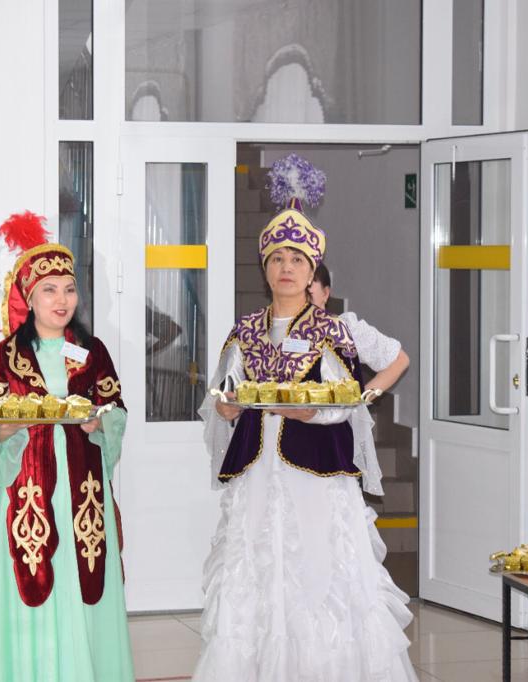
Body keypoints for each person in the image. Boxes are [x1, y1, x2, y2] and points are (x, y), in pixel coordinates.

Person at [193, 154, 415, 681]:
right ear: (265, 267)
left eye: (297, 259)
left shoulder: (335, 330)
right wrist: (225, 406)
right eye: (277, 258)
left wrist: (350, 402)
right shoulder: (245, 330)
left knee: (319, 573)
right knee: (255, 571)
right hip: (258, 474)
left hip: (317, 476)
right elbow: (222, 394)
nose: (286, 268)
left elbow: (362, 384)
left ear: (313, 270)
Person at [0, 211, 133, 682]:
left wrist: (100, 422)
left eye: (69, 289)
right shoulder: (4, 357)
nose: (62, 300)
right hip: (29, 492)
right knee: (35, 586)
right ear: (28, 297)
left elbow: (116, 410)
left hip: (82, 492)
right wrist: (5, 429)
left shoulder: (92, 351)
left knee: (83, 582)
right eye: (49, 290)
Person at [309, 263, 410, 396]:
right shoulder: (283, 329)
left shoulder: (345, 329)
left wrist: (359, 399)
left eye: (308, 292)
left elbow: (399, 360)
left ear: (325, 293)